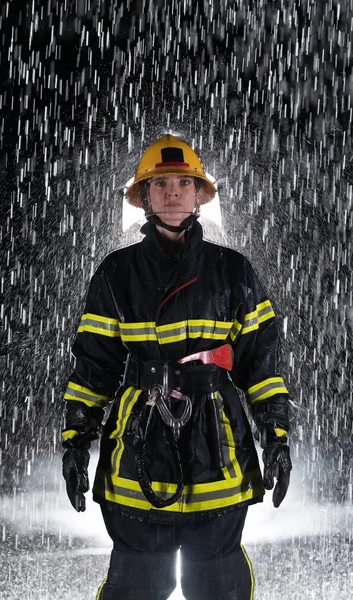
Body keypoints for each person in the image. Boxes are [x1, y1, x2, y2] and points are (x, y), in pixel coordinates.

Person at [61, 134, 292, 600]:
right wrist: (75, 441)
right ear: (144, 196)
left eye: (183, 183)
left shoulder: (234, 272)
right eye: (160, 183)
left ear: (199, 195)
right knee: (139, 581)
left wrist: (277, 437)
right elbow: (93, 369)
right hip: (138, 444)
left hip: (217, 443)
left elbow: (261, 366)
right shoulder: (116, 274)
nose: (172, 192)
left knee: (218, 582)